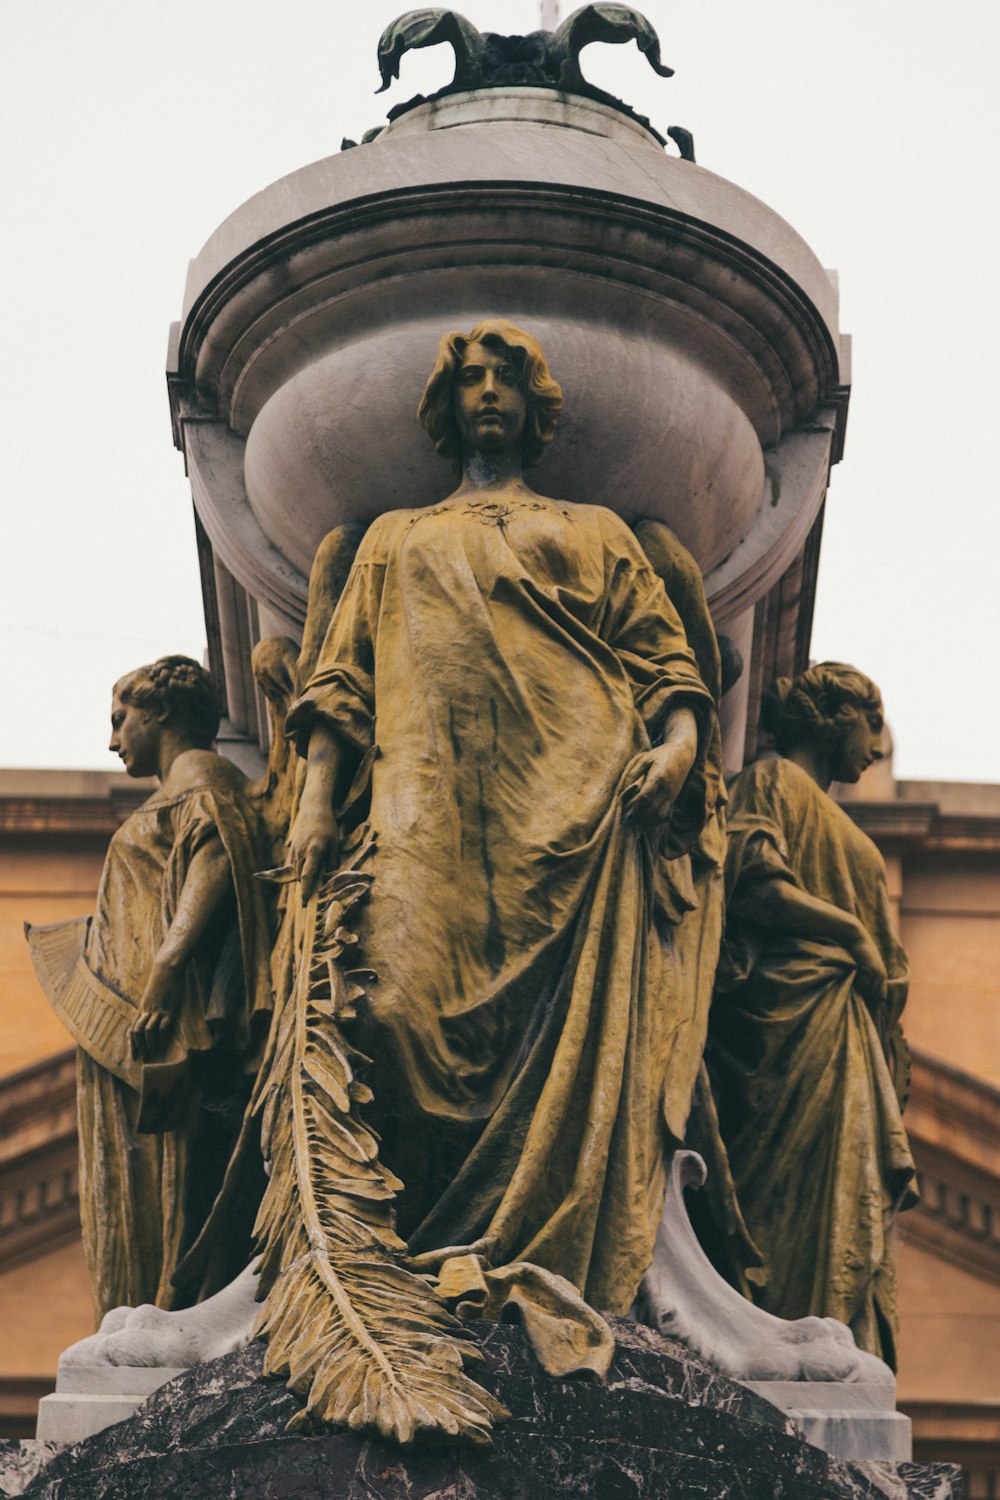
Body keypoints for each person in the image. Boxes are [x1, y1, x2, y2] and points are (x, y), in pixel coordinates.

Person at [280, 319, 723, 1354]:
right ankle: (417, 1251)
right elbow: (339, 684)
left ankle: (521, 1248)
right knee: (389, 1006)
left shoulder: (597, 531)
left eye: (504, 379)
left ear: (535, 403)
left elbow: (663, 658)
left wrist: (681, 744)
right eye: (469, 378)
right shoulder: (390, 539)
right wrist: (310, 801)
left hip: (578, 806)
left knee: (555, 1035)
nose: (487, 392)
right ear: (446, 406)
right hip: (423, 805)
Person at [29, 656, 273, 1320]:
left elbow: (216, 856)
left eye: (121, 719)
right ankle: (165, 1302)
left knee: (179, 1185)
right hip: (146, 1038)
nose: (113, 741)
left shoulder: (204, 786)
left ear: (161, 713)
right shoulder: (180, 794)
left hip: (175, 1035)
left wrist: (165, 973)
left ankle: (175, 1303)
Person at [705, 662, 917, 1366]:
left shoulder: (840, 822)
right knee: (773, 1196)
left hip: (846, 1041)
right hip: (787, 1029)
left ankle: (828, 1333)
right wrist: (853, 935)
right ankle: (769, 1328)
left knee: (843, 1202)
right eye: (871, 721)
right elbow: (752, 881)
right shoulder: (771, 781)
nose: (877, 746)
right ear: (833, 717)